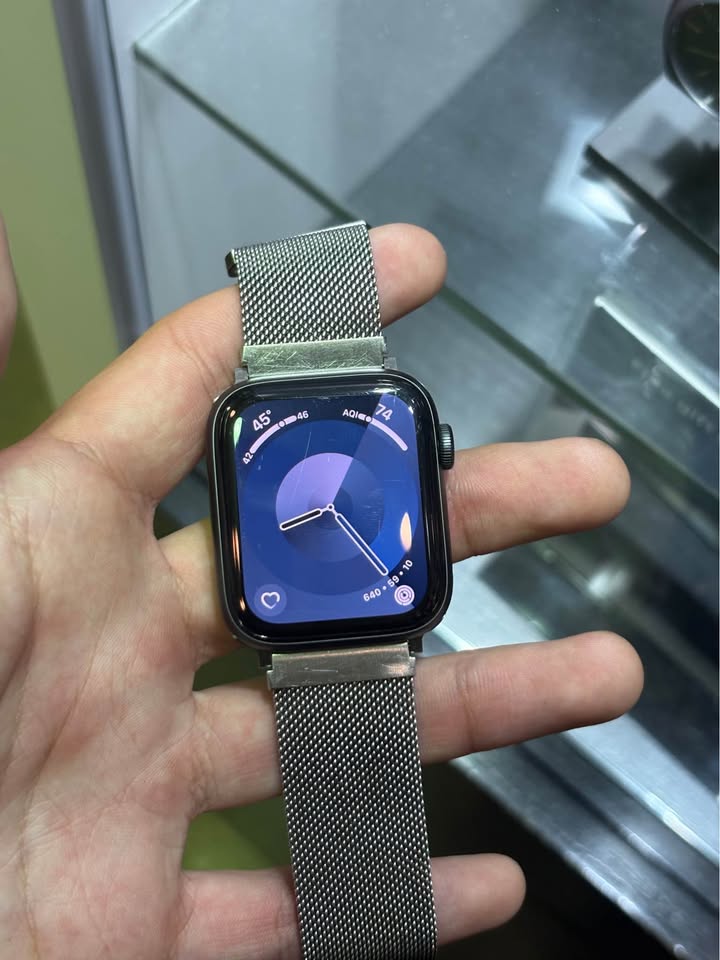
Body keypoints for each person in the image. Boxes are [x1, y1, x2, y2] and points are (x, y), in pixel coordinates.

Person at [0, 218, 642, 959]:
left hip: (347, 623)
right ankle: (368, 926)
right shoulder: (264, 425)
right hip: (314, 625)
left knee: (377, 928)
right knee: (372, 929)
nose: (329, 505)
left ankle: (369, 926)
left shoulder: (318, 426)